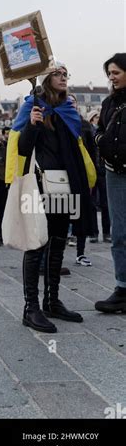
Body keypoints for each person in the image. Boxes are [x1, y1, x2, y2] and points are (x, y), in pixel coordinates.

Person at [6, 63, 96, 332]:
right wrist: (33, 126)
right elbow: (21, 147)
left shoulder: (68, 109)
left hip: (64, 183)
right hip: (38, 185)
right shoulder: (32, 107)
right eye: (57, 73)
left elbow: (81, 143)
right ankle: (30, 308)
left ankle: (52, 301)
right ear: (46, 79)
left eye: (66, 73)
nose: (64, 76)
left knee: (58, 241)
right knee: (36, 243)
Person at [94, 53, 126, 313]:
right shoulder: (108, 103)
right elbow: (99, 130)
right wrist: (99, 140)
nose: (112, 77)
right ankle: (122, 287)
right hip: (114, 173)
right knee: (119, 233)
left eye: (116, 72)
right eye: (109, 73)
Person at [68, 94, 94, 266]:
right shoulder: (57, 121)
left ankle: (81, 252)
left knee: (82, 213)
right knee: (62, 212)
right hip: (64, 174)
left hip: (82, 173)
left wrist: (94, 173)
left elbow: (92, 150)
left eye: (73, 102)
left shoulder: (84, 125)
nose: (71, 105)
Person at [87, 110, 111, 243]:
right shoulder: (88, 130)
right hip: (92, 169)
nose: (97, 119)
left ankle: (106, 232)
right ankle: (94, 233)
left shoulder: (104, 131)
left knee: (105, 203)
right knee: (92, 204)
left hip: (102, 170)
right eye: (95, 117)